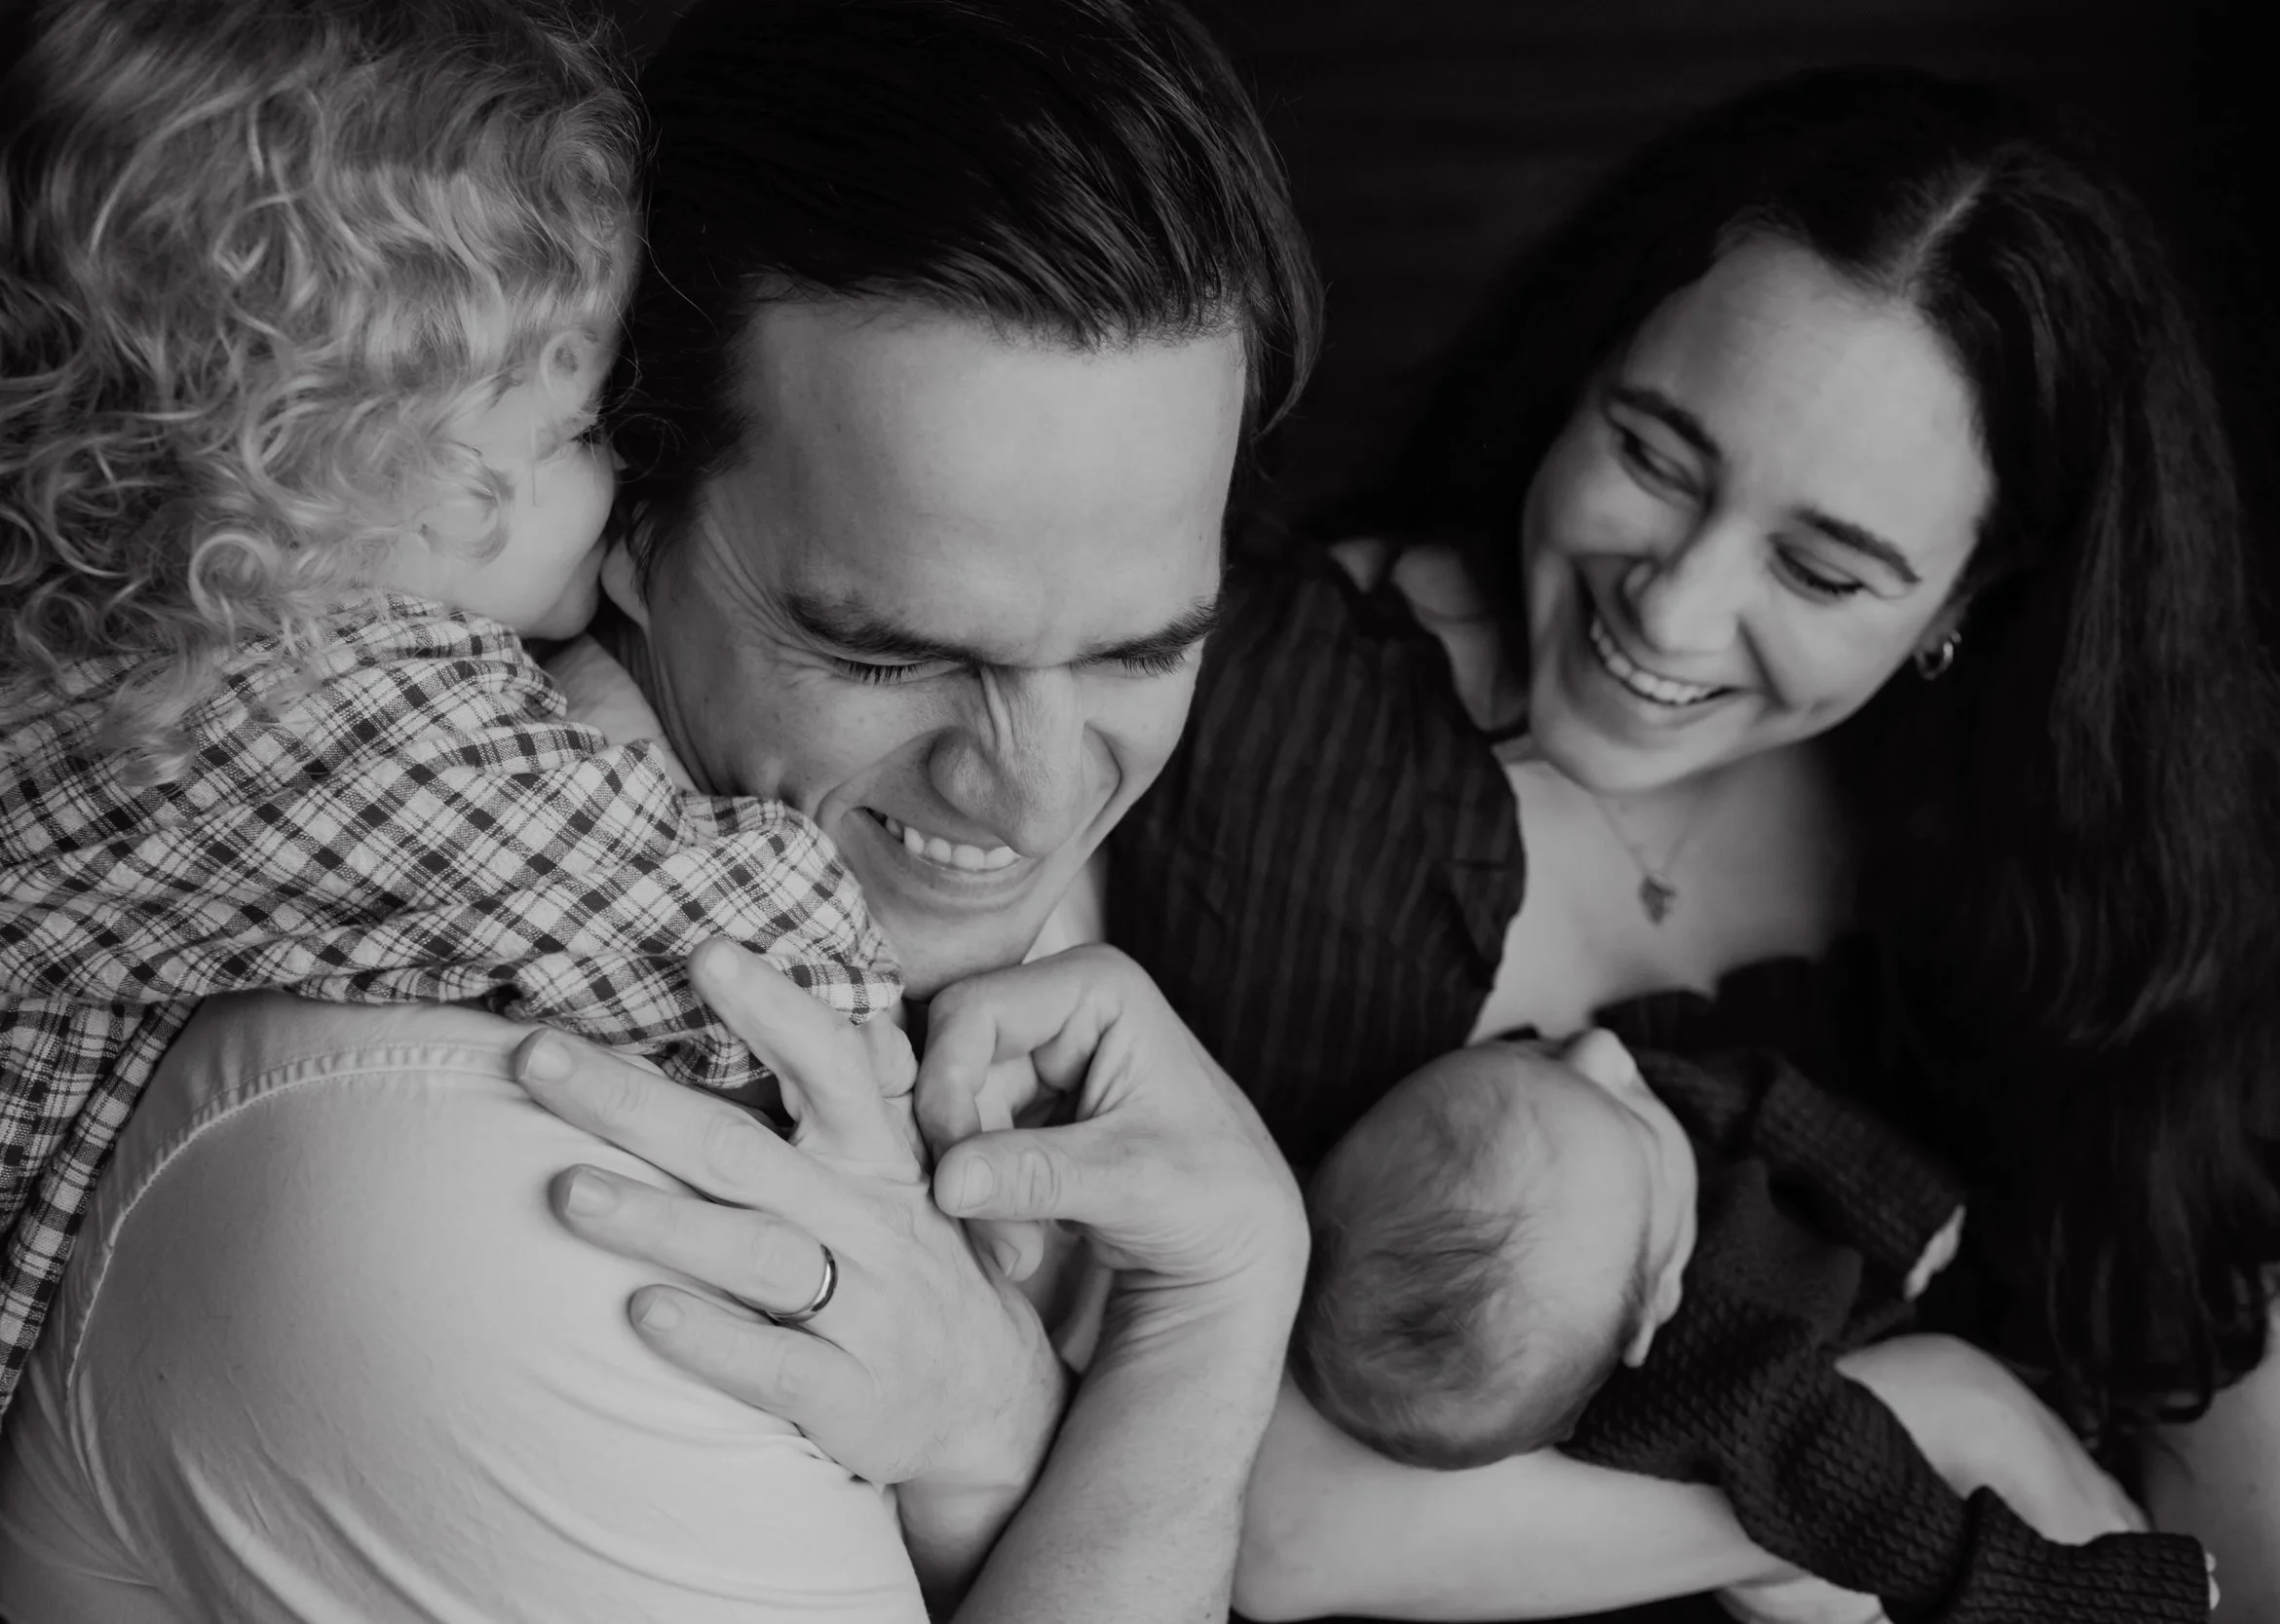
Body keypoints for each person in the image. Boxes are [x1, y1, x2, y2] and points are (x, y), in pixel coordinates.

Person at [0, 0, 1321, 1617]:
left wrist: (1009, 1420)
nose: (1039, 796)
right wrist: (1200, 1337)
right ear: (628, 493)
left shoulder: (887, 837)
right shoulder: (502, 1232)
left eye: (1138, 647)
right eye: (886, 649)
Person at [1095, 66, 2280, 1624]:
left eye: (1825, 570)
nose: (1676, 608)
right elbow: (1277, 1519)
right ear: (1594, 363)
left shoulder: (2037, 832)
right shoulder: (1290, 739)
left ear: (1968, 604)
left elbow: (2200, 1290)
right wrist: (1906, 1442)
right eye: (1653, 455)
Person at [0, 0, 898, 1441]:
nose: (620, 488)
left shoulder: (102, 634)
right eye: (580, 429)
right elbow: (782, 971)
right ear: (337, 463)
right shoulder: (323, 708)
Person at [1297, 1030, 2213, 1621]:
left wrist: (1899, 1203)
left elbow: (1735, 1094)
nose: (1603, 1052)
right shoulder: (1730, 1376)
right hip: (1856, 1568)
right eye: (1633, 1112)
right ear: (1657, 1301)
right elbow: (1885, 1514)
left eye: (1533, 1060)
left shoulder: (1583, 1171)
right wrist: (2058, 1587)